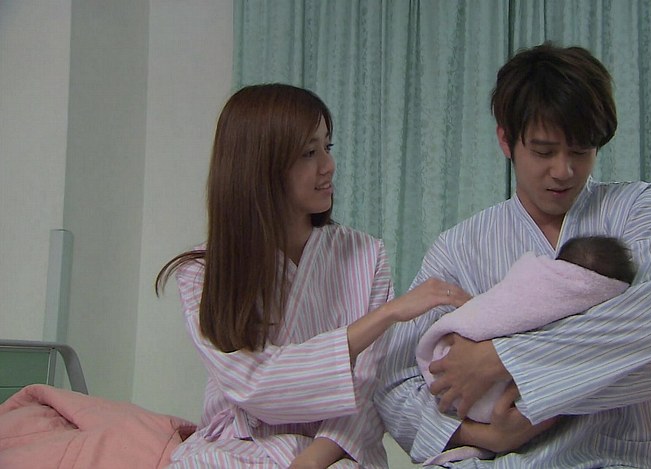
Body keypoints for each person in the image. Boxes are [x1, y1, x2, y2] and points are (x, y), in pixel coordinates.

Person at [375, 43, 651, 468]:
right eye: (544, 152)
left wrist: (497, 360)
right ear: (506, 141)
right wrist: (484, 434)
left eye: (581, 150)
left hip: (634, 454)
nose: (564, 171)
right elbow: (395, 386)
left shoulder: (638, 209)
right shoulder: (459, 248)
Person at [155, 83, 469, 469]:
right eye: (309, 152)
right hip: (238, 446)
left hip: (335, 453)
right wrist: (385, 316)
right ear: (260, 166)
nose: (328, 165)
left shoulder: (365, 255)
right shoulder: (203, 272)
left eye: (327, 147)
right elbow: (255, 385)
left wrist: (311, 462)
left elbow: (366, 389)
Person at [415, 236, 636, 465]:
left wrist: (500, 356)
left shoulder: (639, 224)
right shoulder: (454, 247)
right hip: (460, 382)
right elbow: (400, 394)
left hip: (584, 448)